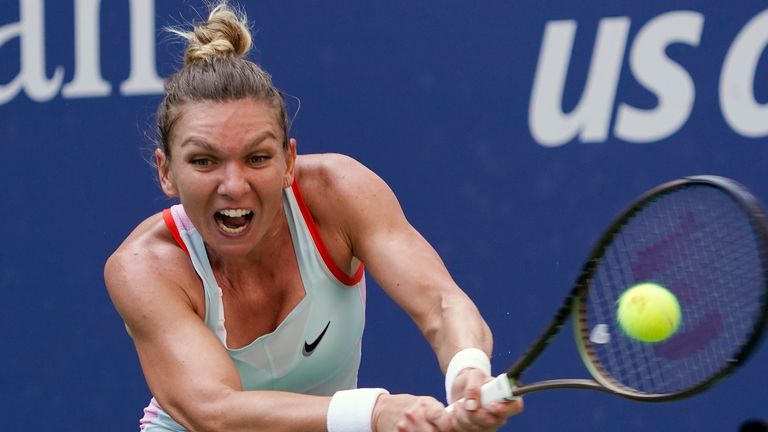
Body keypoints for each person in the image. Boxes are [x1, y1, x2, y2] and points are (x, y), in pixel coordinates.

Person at [104, 2, 523, 431]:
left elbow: (441, 302)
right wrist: (374, 412)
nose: (233, 185)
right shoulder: (144, 267)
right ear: (166, 171)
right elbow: (218, 412)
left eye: (257, 157)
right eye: (204, 161)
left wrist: (467, 370)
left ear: (289, 161)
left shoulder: (338, 194)